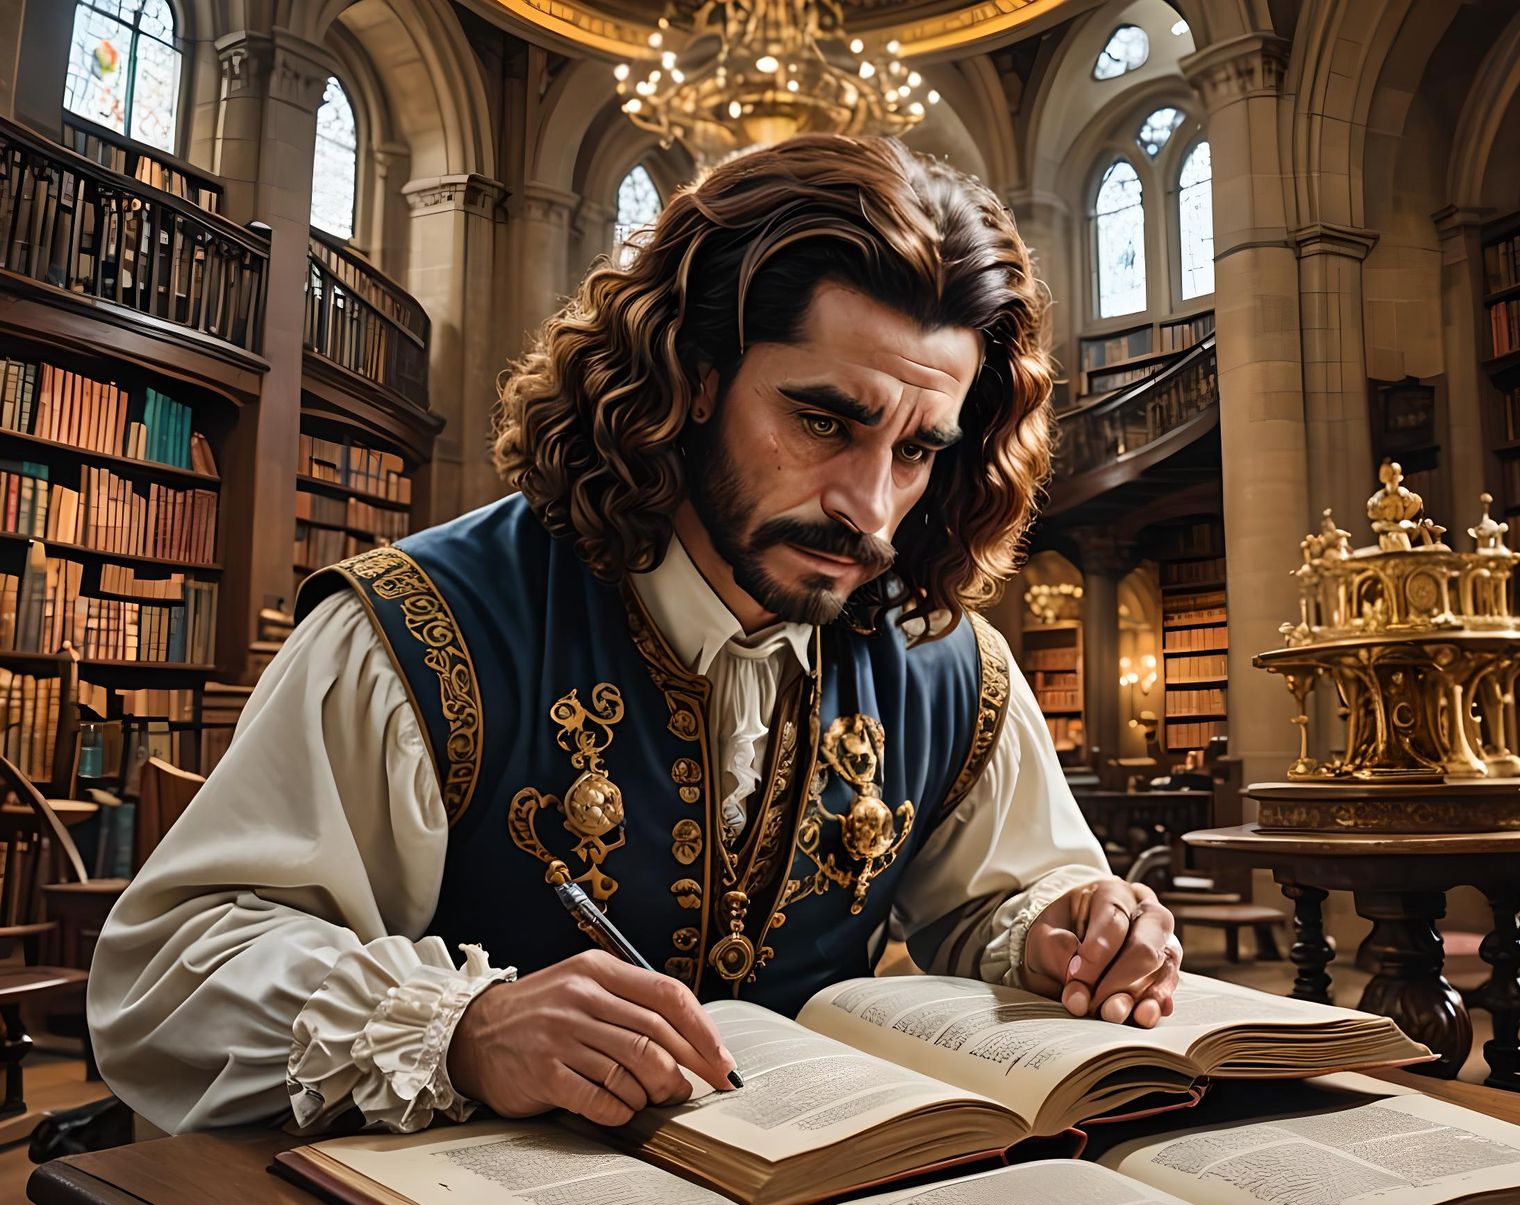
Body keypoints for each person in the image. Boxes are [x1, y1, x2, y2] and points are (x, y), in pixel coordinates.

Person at [86, 134, 1181, 1137]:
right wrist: (466, 1026)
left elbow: (999, 895)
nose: (870, 505)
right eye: (822, 420)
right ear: (689, 375)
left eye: (915, 449)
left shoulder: (951, 661)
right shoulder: (418, 627)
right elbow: (172, 972)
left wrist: (1067, 926)